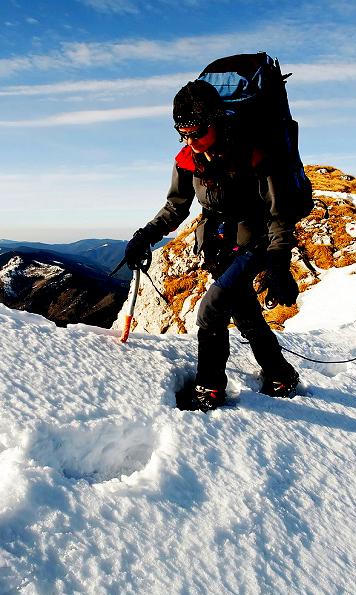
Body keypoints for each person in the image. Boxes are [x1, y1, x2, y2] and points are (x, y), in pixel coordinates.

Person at [123, 80, 303, 411]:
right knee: (245, 312)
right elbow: (176, 207)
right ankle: (280, 373)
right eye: (183, 133)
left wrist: (279, 264)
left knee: (210, 311)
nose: (190, 141)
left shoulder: (254, 152)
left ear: (215, 120)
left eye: (196, 132)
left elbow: (279, 214)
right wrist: (144, 236)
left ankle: (210, 387)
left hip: (256, 240)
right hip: (217, 244)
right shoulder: (187, 160)